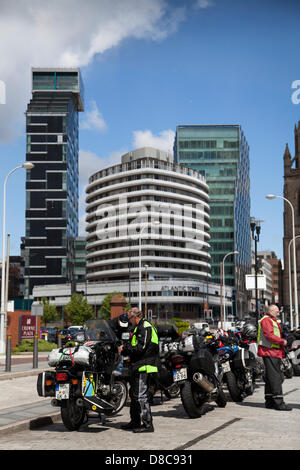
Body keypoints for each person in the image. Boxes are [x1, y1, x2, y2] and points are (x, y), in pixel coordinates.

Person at [118, 307, 159, 433]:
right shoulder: (138, 327)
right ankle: (135, 421)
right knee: (134, 395)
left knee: (141, 396)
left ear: (135, 317)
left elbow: (141, 348)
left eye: (130, 319)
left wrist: (124, 349)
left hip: (145, 365)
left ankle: (147, 425)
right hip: (138, 365)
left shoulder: (145, 327)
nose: (130, 322)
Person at [257, 304, 292, 411]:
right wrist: (283, 341)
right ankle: (279, 403)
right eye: (277, 311)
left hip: (272, 351)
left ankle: (270, 401)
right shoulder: (267, 320)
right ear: (271, 310)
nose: (278, 313)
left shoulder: (270, 320)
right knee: (276, 377)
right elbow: (269, 335)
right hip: (270, 351)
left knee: (270, 377)